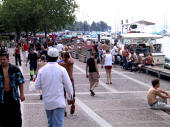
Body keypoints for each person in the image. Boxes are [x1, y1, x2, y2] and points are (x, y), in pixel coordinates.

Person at [35, 48, 73, 127]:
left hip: (48, 102)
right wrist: (70, 97)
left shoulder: (42, 70)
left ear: (48, 56)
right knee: (58, 124)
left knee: (50, 123)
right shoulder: (62, 70)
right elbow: (68, 85)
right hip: (58, 101)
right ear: (57, 57)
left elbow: (37, 86)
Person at [0, 51, 25, 127]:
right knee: (3, 118)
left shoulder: (15, 69)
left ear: (8, 59)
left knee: (16, 118)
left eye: (4, 59)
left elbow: (20, 82)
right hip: (2, 97)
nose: (2, 61)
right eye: (1, 59)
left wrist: (22, 94)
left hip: (13, 97)